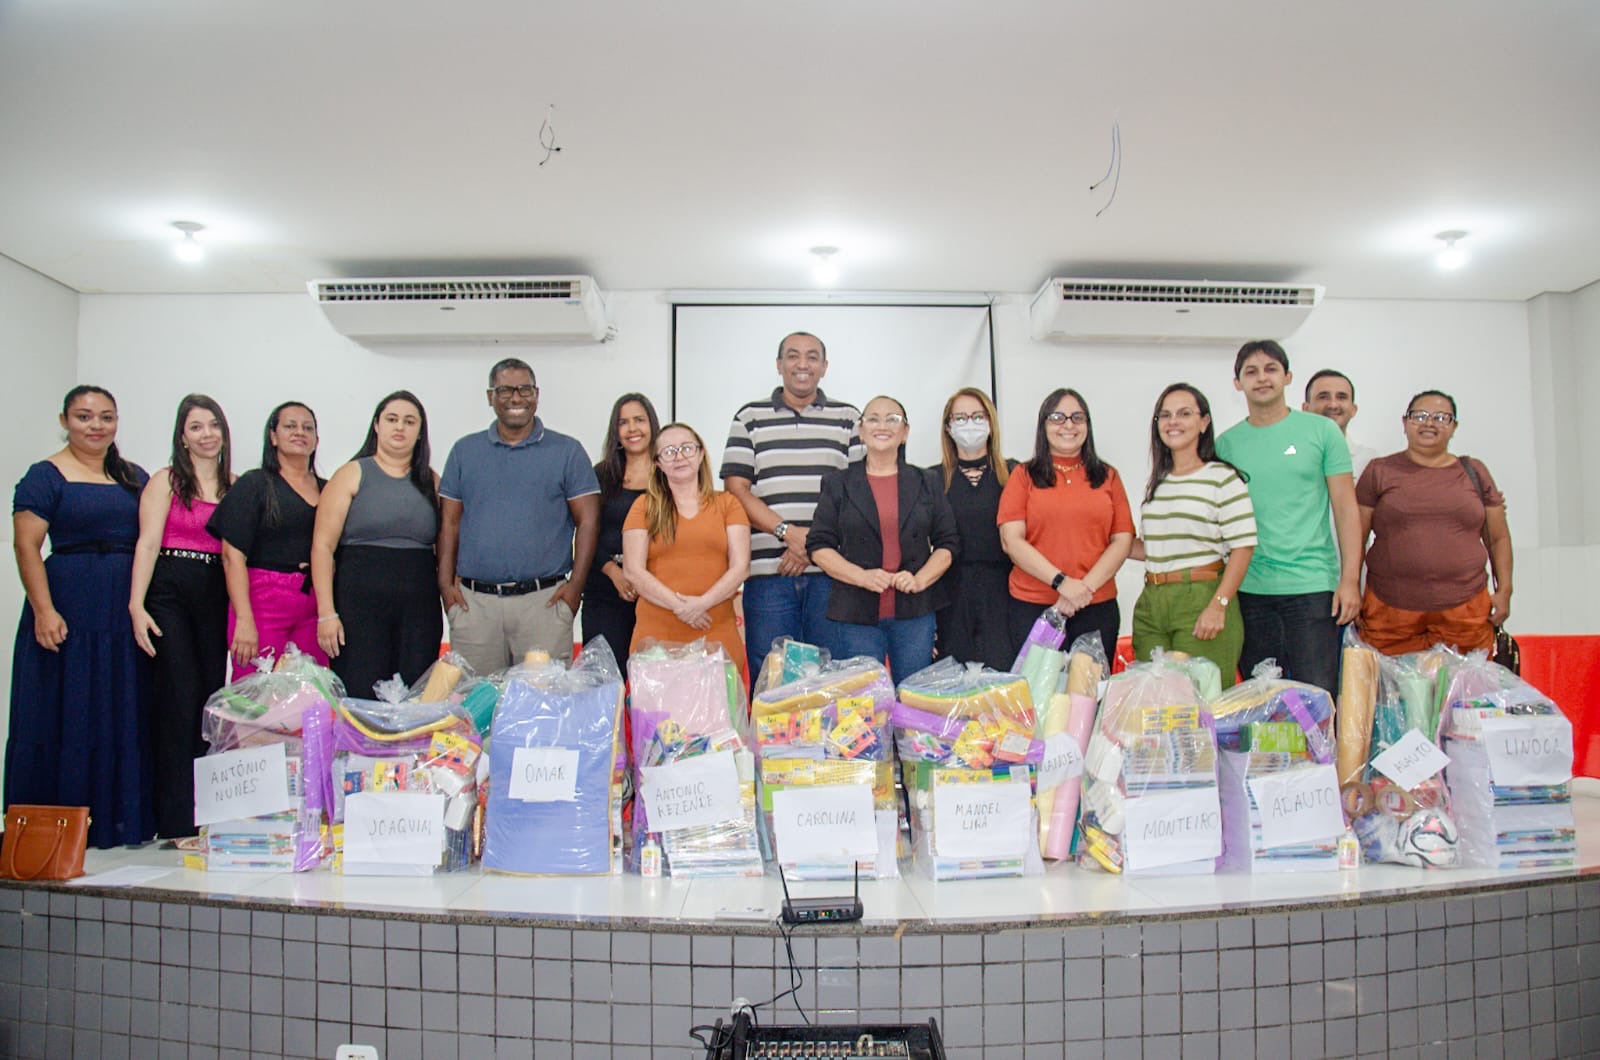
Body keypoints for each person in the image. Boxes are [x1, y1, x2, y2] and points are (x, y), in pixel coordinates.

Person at [8, 385, 152, 849]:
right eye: (84, 416)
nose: (96, 426)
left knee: (121, 708)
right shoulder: (44, 476)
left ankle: (120, 822)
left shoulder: (134, 477)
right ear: (64, 420)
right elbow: (26, 545)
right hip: (68, 606)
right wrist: (43, 610)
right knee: (65, 710)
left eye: (106, 417)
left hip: (123, 612)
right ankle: (54, 831)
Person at [1216, 341, 1360, 694]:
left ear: (1288, 377)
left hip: (1312, 586)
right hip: (1249, 591)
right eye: (1251, 371)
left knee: (1317, 698)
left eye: (1271, 369)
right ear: (1237, 383)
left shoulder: (1322, 432)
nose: (1262, 378)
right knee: (1263, 700)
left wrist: (1350, 580)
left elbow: (1346, 509)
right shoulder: (1225, 445)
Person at [437, 359, 600, 672]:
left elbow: (588, 522)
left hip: (544, 605)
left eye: (525, 389)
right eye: (505, 390)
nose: (516, 398)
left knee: (544, 699)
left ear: (536, 394)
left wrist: (575, 589)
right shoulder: (464, 451)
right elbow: (449, 523)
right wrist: (445, 586)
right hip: (475, 607)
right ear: (490, 396)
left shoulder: (567, 451)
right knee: (477, 698)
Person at [128, 393, 234, 839]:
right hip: (169, 591)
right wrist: (136, 605)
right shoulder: (165, 481)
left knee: (208, 700)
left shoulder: (235, 485)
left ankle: (202, 815)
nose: (207, 434)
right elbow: (148, 543)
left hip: (215, 593)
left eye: (214, 425)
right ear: (183, 437)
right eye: (196, 427)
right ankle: (174, 821)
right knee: (179, 697)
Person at [722, 331, 862, 665]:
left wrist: (810, 544)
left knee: (831, 676)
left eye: (812, 357)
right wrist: (787, 532)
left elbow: (859, 494)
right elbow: (736, 491)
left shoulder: (849, 418)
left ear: (824, 367)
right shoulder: (749, 418)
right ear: (779, 365)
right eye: (793, 355)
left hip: (832, 575)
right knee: (771, 675)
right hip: (770, 576)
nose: (803, 364)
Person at [809, 396, 958, 680]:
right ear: (861, 431)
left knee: (913, 695)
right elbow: (818, 545)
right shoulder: (838, 483)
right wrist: (861, 576)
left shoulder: (927, 481)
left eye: (892, 419)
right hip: (856, 612)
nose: (882, 426)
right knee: (865, 699)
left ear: (905, 432)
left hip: (915, 613)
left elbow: (948, 542)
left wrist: (920, 580)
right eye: (873, 419)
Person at [1356, 390, 1512, 655]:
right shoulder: (1379, 471)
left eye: (1441, 417)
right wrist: (1352, 588)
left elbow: (1498, 538)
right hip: (1389, 611)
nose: (1429, 423)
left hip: (1466, 610)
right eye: (1419, 416)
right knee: (1387, 681)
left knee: (1466, 682)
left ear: (1454, 427)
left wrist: (1505, 590)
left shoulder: (1474, 471)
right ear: (1404, 422)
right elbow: (1355, 538)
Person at [311, 391, 442, 698]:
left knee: (415, 696)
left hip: (419, 612)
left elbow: (444, 550)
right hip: (358, 608)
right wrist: (326, 613)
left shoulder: (433, 482)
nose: (400, 427)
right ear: (377, 425)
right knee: (360, 692)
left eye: (409, 421)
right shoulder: (351, 474)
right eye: (392, 419)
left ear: (420, 431)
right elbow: (322, 547)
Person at [1129, 384, 1256, 687]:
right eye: (1165, 415)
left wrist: (1218, 605)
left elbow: (1243, 546)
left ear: (1204, 422)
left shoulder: (1222, 478)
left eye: (1184, 414)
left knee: (1202, 700)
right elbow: (1154, 548)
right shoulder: (1158, 483)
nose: (1173, 422)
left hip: (1201, 597)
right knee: (1155, 700)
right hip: (1152, 601)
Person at [998, 388, 1134, 665]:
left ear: (1087, 425)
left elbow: (1122, 540)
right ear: (1043, 425)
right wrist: (1062, 583)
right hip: (1034, 607)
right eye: (1057, 417)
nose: (1068, 425)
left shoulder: (1108, 476)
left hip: (1096, 606)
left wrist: (1082, 590)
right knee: (1039, 690)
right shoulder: (1022, 476)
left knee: (1089, 690)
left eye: (1077, 417)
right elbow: (1011, 541)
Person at [622, 423, 751, 673]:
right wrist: (681, 607)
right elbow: (633, 571)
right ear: (658, 463)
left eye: (687, 448)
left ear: (701, 454)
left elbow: (741, 568)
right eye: (669, 452)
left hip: (716, 632)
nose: (679, 457)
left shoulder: (728, 504)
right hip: (656, 637)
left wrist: (702, 604)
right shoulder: (643, 506)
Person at [207, 401, 327, 671]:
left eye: (307, 428)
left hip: (313, 606)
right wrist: (244, 619)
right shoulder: (254, 484)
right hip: (262, 603)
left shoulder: (329, 490)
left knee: (311, 689)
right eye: (290, 426)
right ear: (273, 436)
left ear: (317, 440)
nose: (300, 432)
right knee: (258, 689)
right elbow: (231, 556)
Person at [931, 387, 1015, 671]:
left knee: (1003, 679)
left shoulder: (1014, 474)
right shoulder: (930, 479)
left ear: (991, 423)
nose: (970, 424)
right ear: (948, 426)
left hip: (1004, 594)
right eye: (961, 417)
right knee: (954, 681)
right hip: (950, 596)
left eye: (978, 416)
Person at [582, 393, 659, 668]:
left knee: (654, 680)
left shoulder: (669, 475)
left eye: (639, 420)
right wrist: (614, 572)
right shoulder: (600, 475)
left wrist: (642, 577)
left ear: (652, 424)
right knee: (604, 679)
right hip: (605, 591)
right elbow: (586, 532)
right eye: (623, 423)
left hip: (657, 593)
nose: (632, 429)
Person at [1302, 368, 1378, 482]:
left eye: (1341, 397)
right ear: (1306, 409)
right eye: (1323, 397)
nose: (1333, 405)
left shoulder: (1369, 461)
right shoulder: (1289, 456)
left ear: (1353, 409)